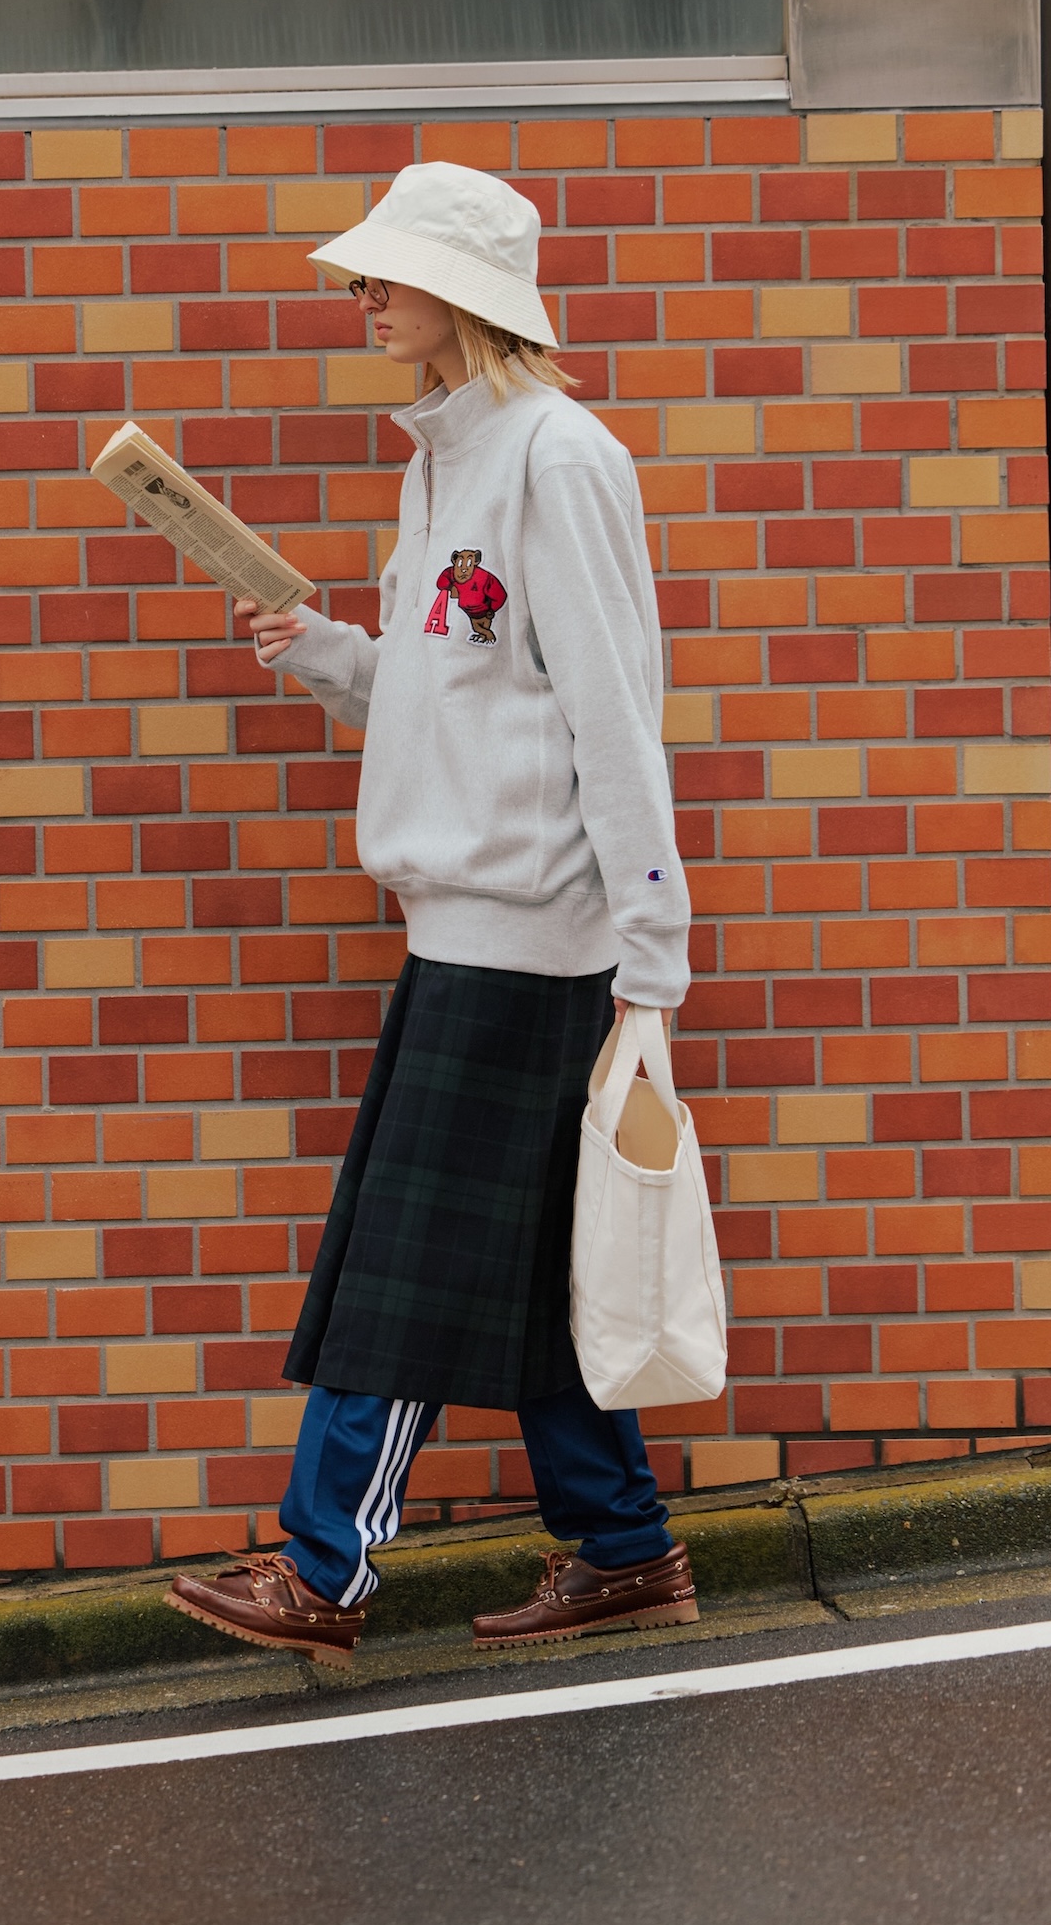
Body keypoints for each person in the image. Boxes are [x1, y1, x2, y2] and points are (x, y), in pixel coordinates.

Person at [166, 160, 697, 1669]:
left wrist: (651, 954)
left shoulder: (559, 459)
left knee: (401, 1264)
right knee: (525, 1259)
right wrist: (327, 649)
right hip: (465, 928)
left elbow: (613, 712)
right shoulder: (442, 464)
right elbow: (451, 686)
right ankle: (623, 1547)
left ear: (464, 292)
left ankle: (324, 1568)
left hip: (530, 940)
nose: (360, 296)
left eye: (383, 274)